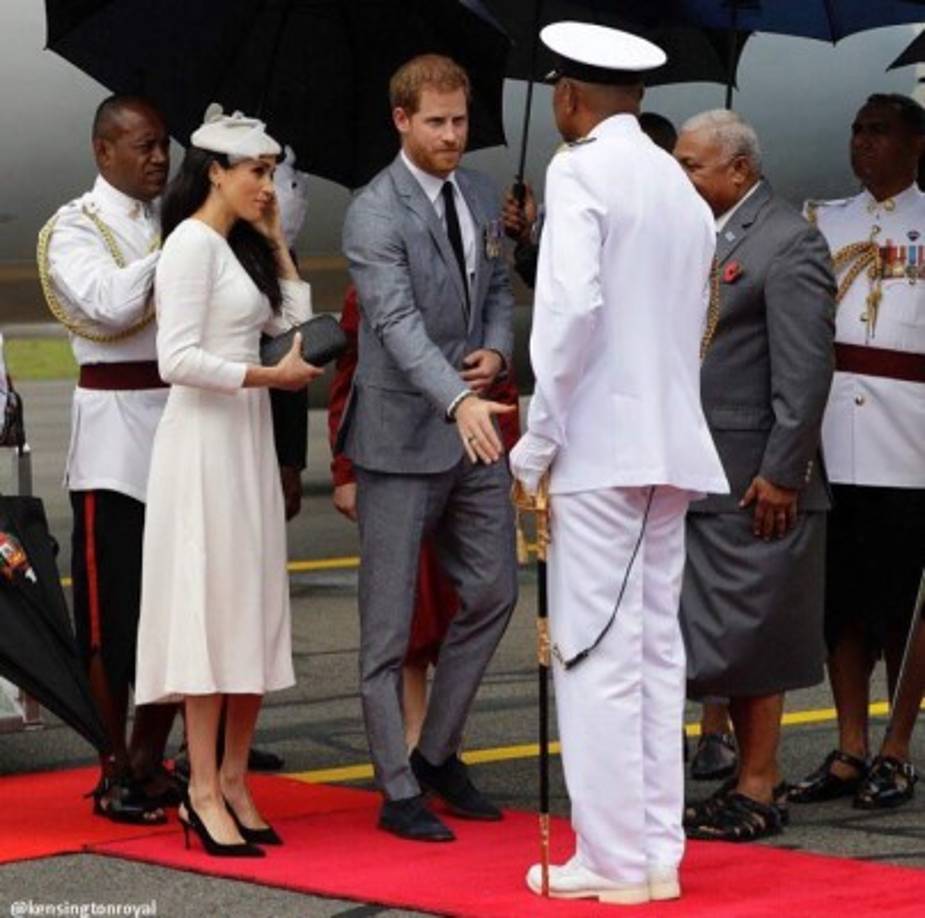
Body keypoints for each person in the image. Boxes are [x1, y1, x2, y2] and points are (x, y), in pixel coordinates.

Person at [509, 22, 727, 905]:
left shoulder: (580, 168)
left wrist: (537, 438)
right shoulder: (677, 186)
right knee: (650, 652)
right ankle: (654, 854)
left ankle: (607, 857)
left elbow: (566, 317)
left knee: (592, 655)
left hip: (599, 447)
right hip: (669, 444)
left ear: (568, 96)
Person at [133, 108, 322, 857]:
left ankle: (236, 776)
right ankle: (202, 786)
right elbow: (173, 360)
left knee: (249, 606)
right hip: (204, 444)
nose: (268, 184)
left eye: (272, 172)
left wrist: (277, 245)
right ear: (215, 170)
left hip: (242, 436)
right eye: (257, 171)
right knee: (211, 613)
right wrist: (263, 375)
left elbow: (296, 324)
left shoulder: (240, 247)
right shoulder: (187, 246)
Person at [340, 54, 518, 843]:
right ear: (401, 120)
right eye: (437, 122)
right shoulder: (372, 213)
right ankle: (396, 784)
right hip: (401, 437)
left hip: (472, 431)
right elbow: (395, 325)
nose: (453, 135)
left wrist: (497, 352)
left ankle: (438, 750)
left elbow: (500, 291)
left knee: (494, 594)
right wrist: (457, 397)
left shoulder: (480, 194)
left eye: (460, 121)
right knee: (385, 629)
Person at [674, 110, 836, 842]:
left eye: (691, 165)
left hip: (757, 479)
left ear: (737, 170)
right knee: (729, 637)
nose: (680, 176)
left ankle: (759, 784)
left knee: (757, 633)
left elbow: (804, 373)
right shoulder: (702, 233)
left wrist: (782, 472)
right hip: (704, 474)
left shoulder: (788, 242)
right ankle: (744, 778)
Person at [39, 95, 178, 824]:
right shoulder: (72, 228)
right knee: (111, 619)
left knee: (175, 613)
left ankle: (152, 758)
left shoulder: (170, 226)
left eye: (165, 147)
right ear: (104, 151)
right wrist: (185, 244)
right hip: (115, 447)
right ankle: (112, 766)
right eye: (145, 146)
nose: (159, 158)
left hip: (182, 438)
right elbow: (109, 305)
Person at [790, 93, 925, 811]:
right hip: (832, 438)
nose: (862, 142)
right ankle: (850, 744)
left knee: (903, 605)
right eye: (856, 130)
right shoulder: (822, 221)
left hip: (910, 443)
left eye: (879, 131)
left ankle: (897, 748)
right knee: (838, 602)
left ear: (915, 144)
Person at [327, 286, 520, 750]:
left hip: (469, 462)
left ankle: (442, 738)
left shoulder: (476, 275)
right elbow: (350, 381)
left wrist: (508, 457)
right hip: (398, 460)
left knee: (470, 599)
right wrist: (345, 470)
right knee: (408, 611)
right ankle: (415, 735)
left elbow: (501, 382)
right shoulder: (374, 283)